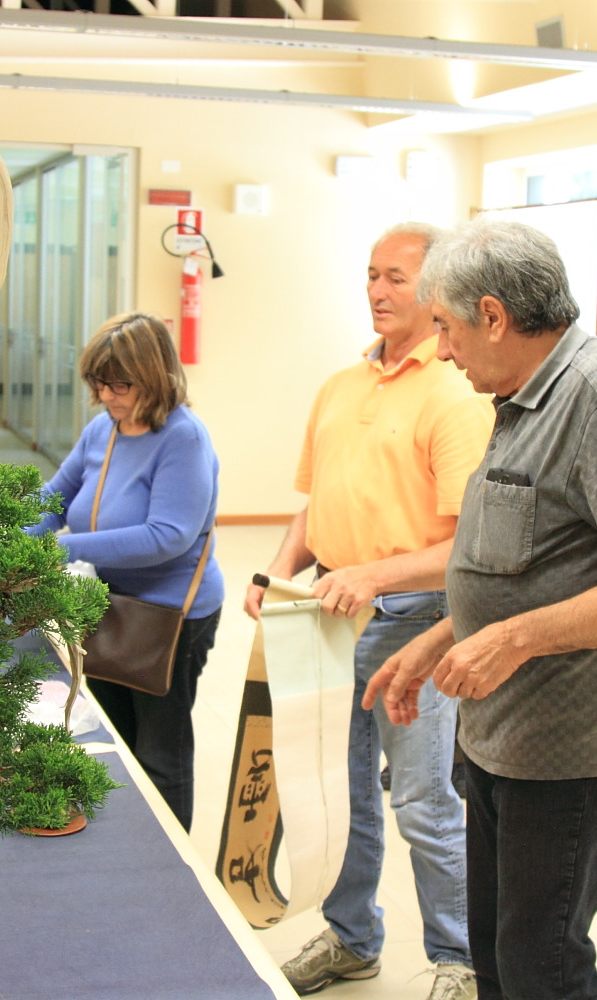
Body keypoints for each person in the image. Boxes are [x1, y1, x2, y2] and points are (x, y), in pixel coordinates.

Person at [363, 217, 597, 1000]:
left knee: (541, 965)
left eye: (446, 328)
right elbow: (532, 561)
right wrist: (442, 637)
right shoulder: (521, 394)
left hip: (568, 736)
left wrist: (511, 639)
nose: (440, 351)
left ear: (493, 316)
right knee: (495, 952)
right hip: (502, 725)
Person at [246, 222, 492, 1000]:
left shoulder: (455, 393)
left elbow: (468, 547)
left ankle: (460, 960)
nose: (378, 291)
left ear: (437, 291)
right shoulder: (340, 385)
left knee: (422, 803)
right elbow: (315, 504)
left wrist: (374, 575)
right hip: (328, 615)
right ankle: (351, 940)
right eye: (371, 274)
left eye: (396, 278)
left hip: (412, 621)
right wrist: (278, 570)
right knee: (337, 795)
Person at [34, 312, 224, 831]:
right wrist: (12, 532)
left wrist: (63, 550)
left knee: (160, 752)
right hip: (112, 605)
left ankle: (169, 859)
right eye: (99, 383)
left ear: (154, 378)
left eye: (120, 384)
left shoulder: (183, 439)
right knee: (114, 737)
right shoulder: (104, 429)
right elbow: (55, 497)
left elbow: (168, 536)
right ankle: (124, 840)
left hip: (170, 614)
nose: (107, 395)